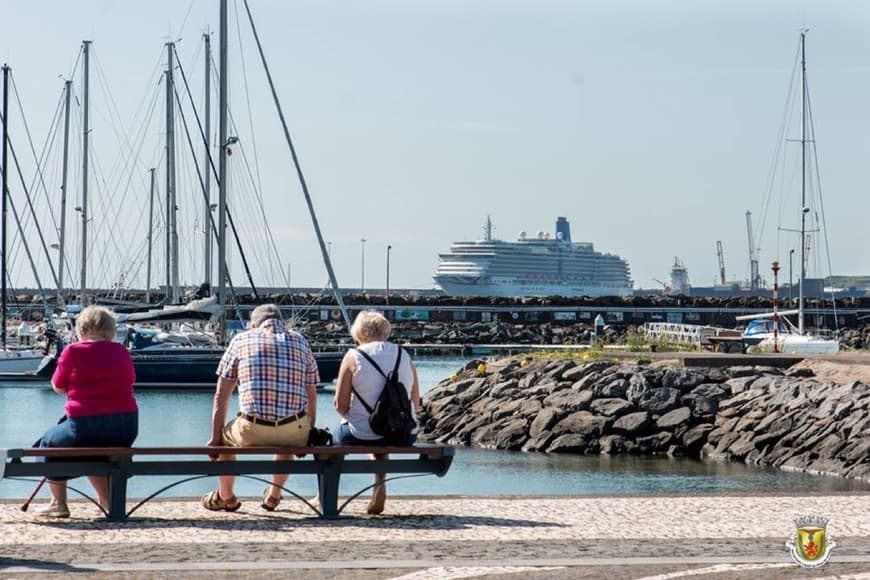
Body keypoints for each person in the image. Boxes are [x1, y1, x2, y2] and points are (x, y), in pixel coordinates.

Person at [203, 303, 319, 512]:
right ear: (281, 322)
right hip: (293, 430)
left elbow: (222, 395)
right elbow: (312, 394)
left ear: (254, 324)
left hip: (251, 429)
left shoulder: (241, 340)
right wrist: (308, 433)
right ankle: (273, 496)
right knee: (287, 437)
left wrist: (214, 438)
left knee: (225, 440)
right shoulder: (300, 341)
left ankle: (226, 497)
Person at [33, 306, 138, 518]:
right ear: (111, 329)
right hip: (126, 427)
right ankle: (107, 502)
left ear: (82, 328)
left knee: (47, 443)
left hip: (86, 425)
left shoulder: (73, 351)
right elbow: (130, 381)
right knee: (95, 450)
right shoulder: (122, 351)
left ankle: (58, 503)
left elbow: (58, 386)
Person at [333, 310, 420, 515]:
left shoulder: (353, 356)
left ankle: (325, 495)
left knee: (333, 441)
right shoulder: (403, 354)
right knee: (383, 432)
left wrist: (357, 414)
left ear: (359, 333)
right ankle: (379, 483)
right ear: (386, 331)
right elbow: (415, 402)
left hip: (362, 432)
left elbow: (340, 405)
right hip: (403, 434)